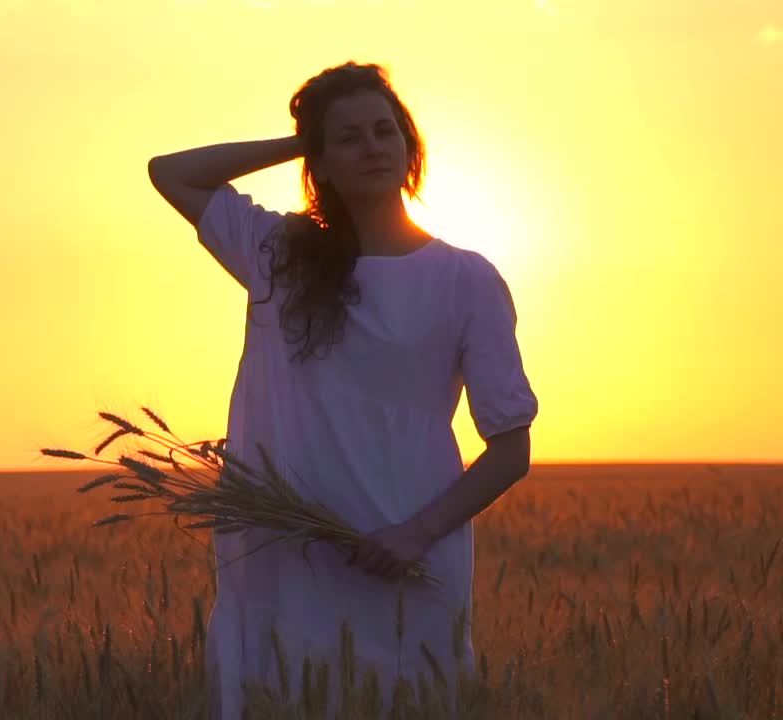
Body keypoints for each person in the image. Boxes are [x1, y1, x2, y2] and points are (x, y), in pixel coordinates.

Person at [147, 61, 538, 719]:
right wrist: (302, 139)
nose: (373, 147)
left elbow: (511, 448)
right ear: (319, 163)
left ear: (411, 148)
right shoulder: (279, 256)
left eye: (386, 131)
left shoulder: (465, 280)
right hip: (291, 551)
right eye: (349, 137)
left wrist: (414, 535)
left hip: (404, 559)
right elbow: (171, 172)